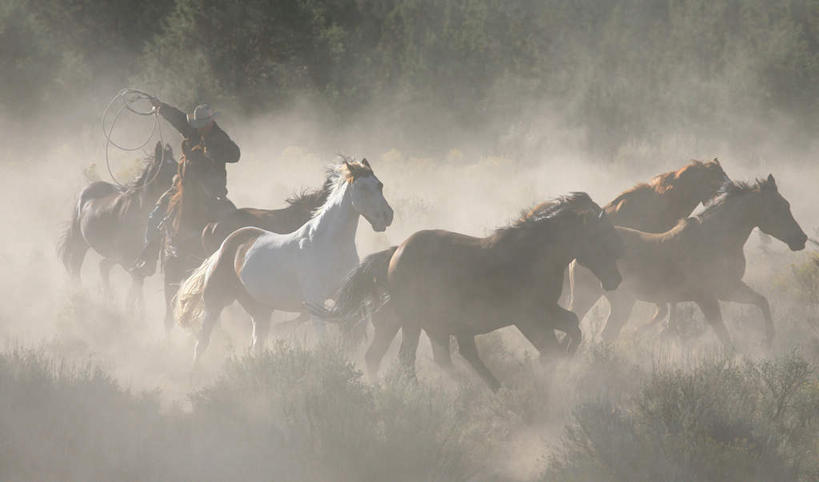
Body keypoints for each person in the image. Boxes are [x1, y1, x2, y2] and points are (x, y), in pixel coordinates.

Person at [133, 98, 240, 276]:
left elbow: (235, 154)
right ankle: (149, 258)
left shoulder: (220, 138)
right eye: (198, 124)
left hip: (212, 193)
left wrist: (215, 152)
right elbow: (178, 118)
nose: (200, 127)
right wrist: (161, 106)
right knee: (155, 216)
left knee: (232, 221)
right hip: (182, 186)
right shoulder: (193, 131)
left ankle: (232, 264)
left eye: (203, 124)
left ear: (211, 122)